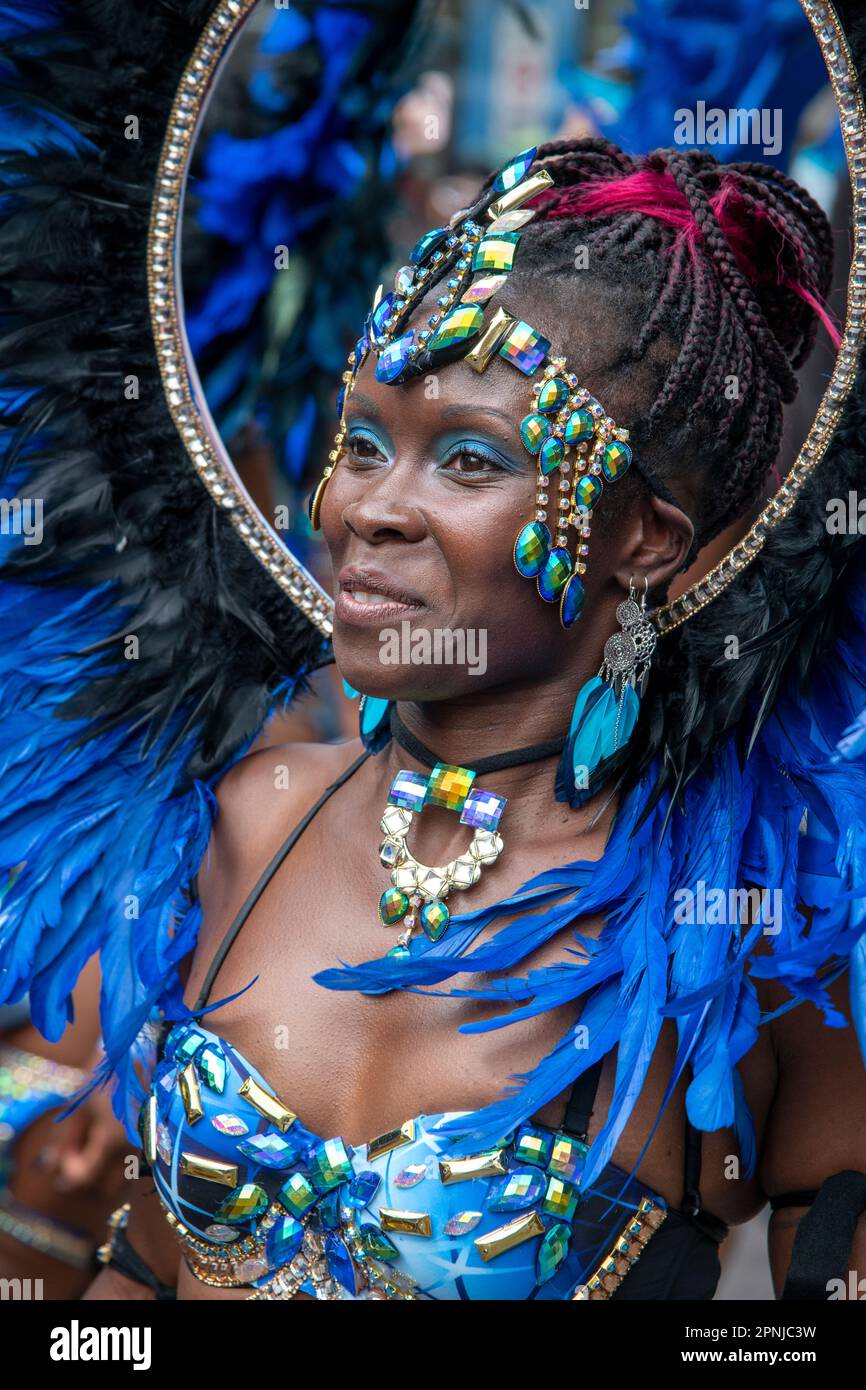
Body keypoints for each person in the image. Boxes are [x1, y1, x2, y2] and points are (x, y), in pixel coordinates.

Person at [78, 140, 866, 1301]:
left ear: (643, 541)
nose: (365, 511)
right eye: (358, 443)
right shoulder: (248, 820)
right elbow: (144, 1277)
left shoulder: (749, 925)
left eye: (464, 459)